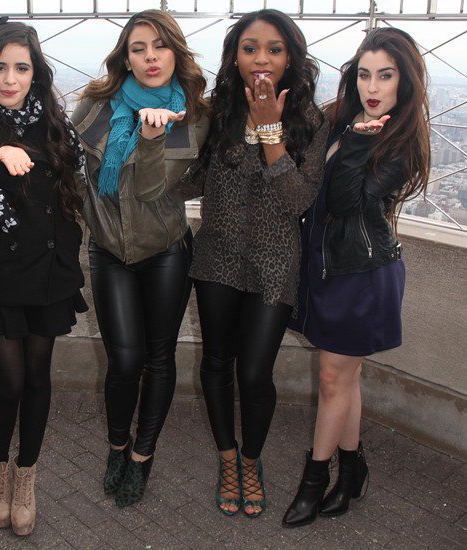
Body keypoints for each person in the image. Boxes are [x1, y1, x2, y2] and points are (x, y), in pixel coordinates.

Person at [179, 9, 328, 517]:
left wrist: (270, 131)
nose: (261, 59)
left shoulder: (309, 119)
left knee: (256, 372)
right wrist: (159, 141)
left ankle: (252, 459)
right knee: (217, 362)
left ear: (291, 58)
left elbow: (299, 201)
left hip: (274, 261)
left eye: (274, 49)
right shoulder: (213, 112)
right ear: (234, 56)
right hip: (216, 254)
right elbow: (187, 184)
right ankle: (227, 458)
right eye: (249, 48)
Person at [283, 27, 430, 527]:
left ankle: (314, 478)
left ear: (403, 84)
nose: (373, 87)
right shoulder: (344, 121)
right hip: (328, 267)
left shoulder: (400, 141)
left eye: (385, 76)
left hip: (362, 275)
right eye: (364, 74)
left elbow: (346, 203)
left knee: (330, 379)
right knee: (346, 378)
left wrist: (353, 149)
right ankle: (353, 469)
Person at [0, 18, 86, 536]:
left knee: (39, 378)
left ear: (35, 72)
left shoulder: (52, 122)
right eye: (0, 67)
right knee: (8, 381)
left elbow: (76, 173)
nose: (10, 78)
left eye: (21, 68)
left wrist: (30, 152)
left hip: (49, 268)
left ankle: (27, 477)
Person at [71, 9, 210, 508]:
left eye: (160, 46)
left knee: (159, 356)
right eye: (138, 48)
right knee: (124, 359)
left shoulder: (193, 116)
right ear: (124, 57)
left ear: (177, 52)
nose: (150, 58)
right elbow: (79, 174)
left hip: (165, 249)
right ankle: (116, 445)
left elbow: (152, 188)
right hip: (108, 248)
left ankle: (142, 455)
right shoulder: (94, 105)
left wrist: (153, 139)